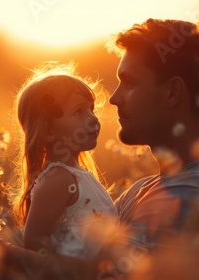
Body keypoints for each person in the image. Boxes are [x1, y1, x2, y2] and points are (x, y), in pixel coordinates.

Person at [0, 18, 199, 280]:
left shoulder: (198, 196)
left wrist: (2, 253)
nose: (113, 99)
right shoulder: (145, 189)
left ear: (173, 92)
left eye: (130, 83)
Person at [11, 64, 119, 260]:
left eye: (91, 109)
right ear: (48, 132)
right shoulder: (58, 179)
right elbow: (34, 245)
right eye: (79, 112)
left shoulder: (76, 175)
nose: (93, 119)